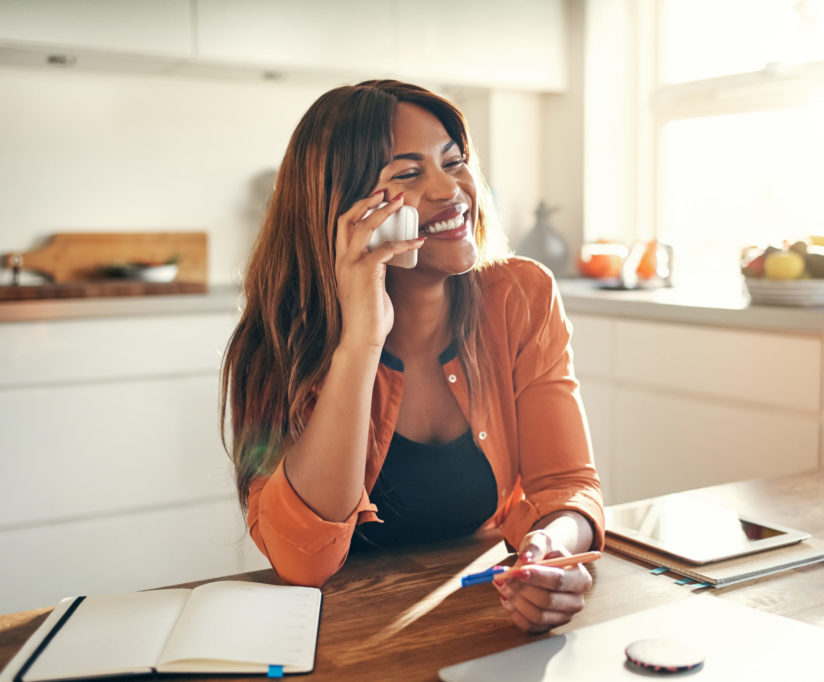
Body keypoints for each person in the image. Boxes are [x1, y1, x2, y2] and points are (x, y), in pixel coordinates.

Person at [220, 80, 603, 633]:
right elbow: (303, 561)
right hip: (334, 635)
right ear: (342, 206)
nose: (451, 189)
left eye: (455, 161)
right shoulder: (277, 338)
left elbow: (567, 486)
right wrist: (361, 341)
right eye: (408, 173)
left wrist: (552, 549)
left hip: (479, 610)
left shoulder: (520, 296)